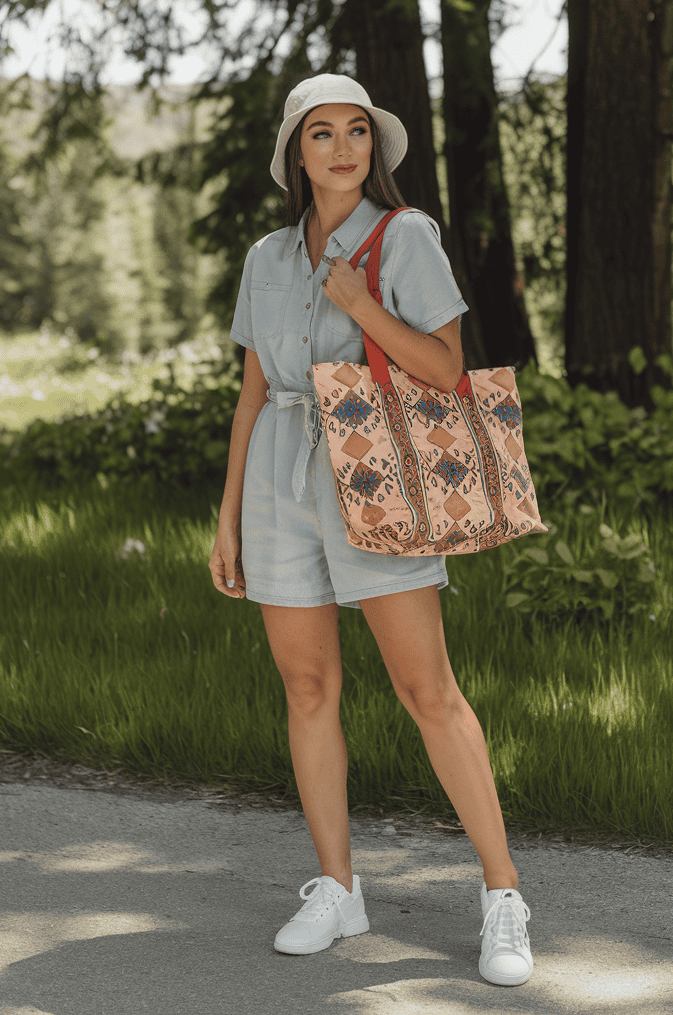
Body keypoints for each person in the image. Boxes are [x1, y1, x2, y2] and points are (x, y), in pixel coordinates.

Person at [208, 73, 534, 987]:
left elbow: (442, 367)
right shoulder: (266, 256)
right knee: (307, 685)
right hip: (278, 473)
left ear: (374, 149)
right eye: (322, 133)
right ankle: (337, 888)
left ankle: (502, 893)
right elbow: (247, 393)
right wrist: (229, 515)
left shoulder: (406, 235)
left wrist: (359, 305)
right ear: (294, 153)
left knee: (426, 688)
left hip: (374, 471)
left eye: (358, 131)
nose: (343, 146)